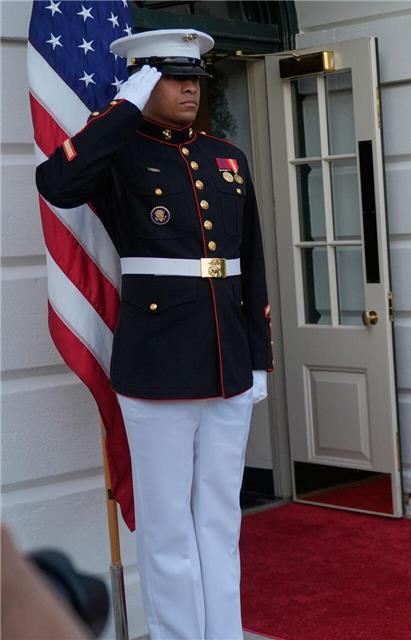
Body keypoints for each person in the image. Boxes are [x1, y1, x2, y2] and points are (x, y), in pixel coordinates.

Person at [36, 29, 272, 639]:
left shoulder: (227, 156)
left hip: (228, 366)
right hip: (157, 365)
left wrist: (259, 358)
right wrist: (122, 110)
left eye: (195, 77)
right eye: (173, 77)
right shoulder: (119, 150)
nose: (191, 88)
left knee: (221, 524)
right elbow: (56, 184)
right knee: (168, 530)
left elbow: (252, 264)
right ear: (144, 82)